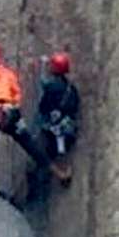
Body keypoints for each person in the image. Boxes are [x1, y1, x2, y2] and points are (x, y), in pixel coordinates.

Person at [0, 43, 69, 210]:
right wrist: (8, 110)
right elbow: (17, 95)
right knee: (29, 144)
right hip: (8, 113)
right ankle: (60, 173)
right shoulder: (7, 73)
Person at [35, 51, 80, 180]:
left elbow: (43, 107)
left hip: (54, 125)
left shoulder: (51, 88)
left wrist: (42, 66)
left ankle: (53, 168)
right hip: (67, 123)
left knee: (40, 130)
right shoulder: (71, 88)